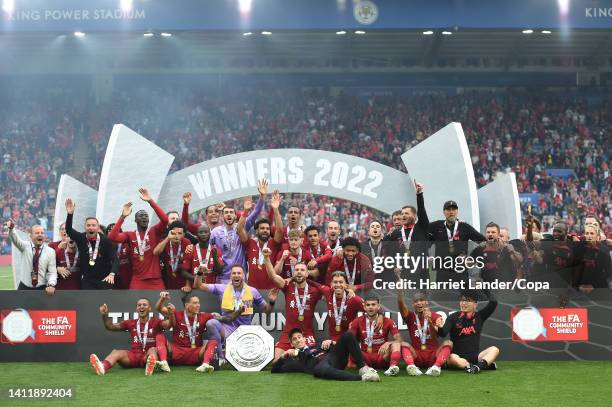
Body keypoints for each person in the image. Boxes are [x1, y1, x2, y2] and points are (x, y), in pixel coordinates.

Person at [193, 264, 275, 361]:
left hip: (245, 331)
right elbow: (198, 286)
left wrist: (272, 302)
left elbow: (266, 312)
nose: (236, 275)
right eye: (234, 273)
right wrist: (199, 273)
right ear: (230, 276)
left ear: (244, 276)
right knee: (211, 323)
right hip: (227, 329)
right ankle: (221, 358)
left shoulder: (253, 291)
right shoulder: (222, 288)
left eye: (239, 273)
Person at [154, 292, 243, 373]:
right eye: (195, 303)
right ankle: (164, 363)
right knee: (159, 336)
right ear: (187, 305)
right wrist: (162, 299)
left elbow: (226, 319)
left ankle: (205, 364)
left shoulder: (204, 316)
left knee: (213, 341)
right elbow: (159, 308)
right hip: (176, 351)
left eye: (198, 303)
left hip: (196, 352)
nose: (198, 305)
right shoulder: (176, 314)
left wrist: (239, 311)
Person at [263, 247, 323, 362]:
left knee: (311, 361)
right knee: (275, 362)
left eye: (302, 270)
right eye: (297, 270)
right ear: (293, 273)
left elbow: (331, 293)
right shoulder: (288, 287)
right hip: (288, 334)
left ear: (307, 274)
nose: (299, 272)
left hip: (306, 334)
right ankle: (293, 355)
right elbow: (273, 277)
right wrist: (266, 258)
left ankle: (295, 356)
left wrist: (349, 291)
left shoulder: (315, 291)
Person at [89, 298, 172, 376]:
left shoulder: (156, 322)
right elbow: (110, 327)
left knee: (153, 350)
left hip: (147, 356)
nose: (141, 307)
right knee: (116, 352)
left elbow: (169, 324)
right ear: (136, 309)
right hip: (134, 356)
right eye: (139, 305)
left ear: (150, 308)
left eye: (144, 305)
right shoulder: (130, 323)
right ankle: (102, 367)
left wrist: (171, 314)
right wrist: (104, 315)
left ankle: (150, 367)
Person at [108, 188, 169, 289]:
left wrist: (150, 201)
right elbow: (112, 237)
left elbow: (165, 219)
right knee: (135, 304)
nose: (144, 217)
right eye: (141, 216)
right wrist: (122, 217)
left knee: (161, 304)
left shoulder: (154, 231)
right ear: (135, 220)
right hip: (138, 280)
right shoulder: (130, 235)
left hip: (156, 280)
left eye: (146, 216)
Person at [209, 180, 268, 283]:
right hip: (223, 277)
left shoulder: (241, 227)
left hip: (240, 275)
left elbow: (255, 213)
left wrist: (262, 197)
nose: (228, 214)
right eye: (226, 213)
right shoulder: (215, 232)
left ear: (235, 216)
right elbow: (207, 249)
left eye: (231, 212)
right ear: (222, 216)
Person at [271, 328, 380, 382]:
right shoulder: (294, 359)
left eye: (299, 337)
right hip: (321, 367)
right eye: (294, 339)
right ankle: (363, 377)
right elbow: (274, 370)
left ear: (304, 338)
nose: (298, 340)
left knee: (348, 335)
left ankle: (363, 368)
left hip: (334, 359)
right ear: (291, 344)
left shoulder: (317, 345)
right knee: (318, 370)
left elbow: (340, 348)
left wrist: (332, 342)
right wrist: (282, 356)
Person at [437, 290, 499, 374]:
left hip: (475, 357)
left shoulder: (479, 316)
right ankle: (480, 365)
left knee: (494, 349)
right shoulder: (453, 317)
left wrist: (483, 288)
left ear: (475, 304)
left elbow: (494, 302)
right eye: (462, 300)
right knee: (452, 358)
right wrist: (440, 327)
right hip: (457, 356)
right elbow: (443, 333)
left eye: (468, 301)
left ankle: (477, 367)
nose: (463, 303)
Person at [396, 288, 452, 376]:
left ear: (426, 302)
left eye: (421, 300)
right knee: (403, 344)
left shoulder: (435, 316)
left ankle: (436, 367)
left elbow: (435, 336)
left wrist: (429, 321)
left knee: (448, 343)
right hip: (417, 356)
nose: (418, 303)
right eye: (416, 301)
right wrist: (399, 291)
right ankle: (412, 367)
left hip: (433, 355)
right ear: (413, 304)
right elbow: (401, 304)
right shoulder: (410, 316)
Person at [428, 200, 486, 283]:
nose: (451, 212)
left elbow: (484, 242)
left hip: (460, 269)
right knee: (442, 295)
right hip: (442, 270)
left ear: (457, 211)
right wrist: (428, 255)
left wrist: (472, 258)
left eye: (454, 209)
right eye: (448, 210)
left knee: (461, 295)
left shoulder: (465, 227)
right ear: (444, 212)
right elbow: (422, 235)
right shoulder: (436, 226)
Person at [64, 198, 116, 289]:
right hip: (87, 280)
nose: (91, 228)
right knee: (88, 303)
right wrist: (70, 214)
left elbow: (115, 259)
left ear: (98, 227)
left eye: (93, 225)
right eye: (88, 225)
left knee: (105, 303)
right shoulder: (81, 238)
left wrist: (112, 274)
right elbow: (68, 230)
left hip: (105, 279)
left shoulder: (105, 240)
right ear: (85, 227)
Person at [384, 181, 430, 281]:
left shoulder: (421, 227)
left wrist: (419, 194)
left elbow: (422, 211)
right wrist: (394, 265)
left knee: (421, 296)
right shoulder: (396, 233)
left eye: (407, 213)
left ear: (414, 216)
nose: (403, 215)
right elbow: (386, 249)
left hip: (421, 274)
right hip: (402, 275)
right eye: (402, 213)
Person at [238, 190, 284, 289]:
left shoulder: (273, 244)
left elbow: (280, 230)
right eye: (262, 228)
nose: (265, 231)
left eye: (267, 229)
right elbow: (240, 229)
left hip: (270, 290)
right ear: (257, 231)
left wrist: (275, 209)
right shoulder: (250, 243)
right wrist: (246, 211)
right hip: (252, 291)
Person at [348, 295, 403, 376]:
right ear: (364, 307)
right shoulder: (357, 321)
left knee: (396, 344)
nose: (370, 307)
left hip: (382, 356)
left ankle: (392, 367)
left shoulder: (388, 321)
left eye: (373, 305)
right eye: (368, 305)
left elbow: (399, 340)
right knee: (350, 345)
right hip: (365, 357)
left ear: (378, 306)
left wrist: (389, 343)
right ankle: (365, 369)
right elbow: (349, 339)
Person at [5, 219, 56, 294]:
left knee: (40, 306)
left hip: (42, 288)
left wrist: (51, 284)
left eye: (42, 233)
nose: (40, 235)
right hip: (24, 287)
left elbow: (52, 272)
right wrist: (12, 229)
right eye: (37, 233)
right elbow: (15, 239)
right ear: (31, 236)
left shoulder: (50, 251)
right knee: (19, 306)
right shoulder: (25, 246)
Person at [181, 224, 223, 290]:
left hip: (211, 289)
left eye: (206, 232)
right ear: (197, 235)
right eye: (200, 232)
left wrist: (215, 257)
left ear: (210, 234)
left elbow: (219, 271)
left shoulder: (216, 250)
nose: (203, 234)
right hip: (194, 289)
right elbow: (183, 272)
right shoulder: (191, 250)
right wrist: (197, 278)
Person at [153, 221, 192, 290]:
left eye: (180, 233)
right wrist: (168, 238)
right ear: (170, 232)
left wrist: (187, 285)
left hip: (182, 278)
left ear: (184, 234)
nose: (176, 236)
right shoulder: (165, 241)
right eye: (174, 233)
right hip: (167, 277)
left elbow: (188, 266)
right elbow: (156, 252)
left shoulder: (186, 242)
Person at [577, 224, 612, 293]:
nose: (589, 235)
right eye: (587, 233)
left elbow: (608, 272)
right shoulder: (580, 248)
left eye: (592, 233)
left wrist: (594, 285)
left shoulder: (603, 250)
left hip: (598, 287)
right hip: (580, 286)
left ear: (597, 236)